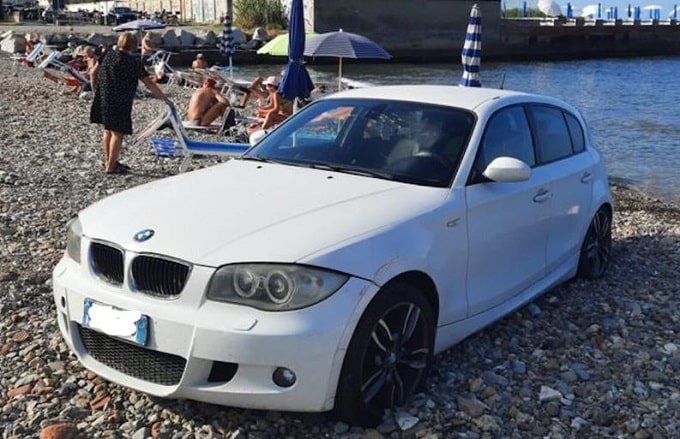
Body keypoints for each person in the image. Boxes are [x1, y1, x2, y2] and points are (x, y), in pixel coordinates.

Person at [90, 32, 173, 175]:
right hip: (121, 99)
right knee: (118, 132)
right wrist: (165, 99)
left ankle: (109, 160)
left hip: (103, 96)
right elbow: (149, 85)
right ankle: (111, 166)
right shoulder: (133, 63)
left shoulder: (107, 55)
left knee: (107, 130)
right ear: (134, 46)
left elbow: (92, 73)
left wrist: (94, 90)